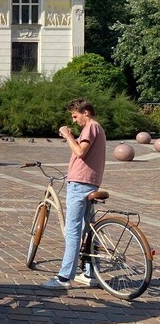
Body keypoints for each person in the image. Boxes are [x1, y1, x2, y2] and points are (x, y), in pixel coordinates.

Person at [42, 99, 106, 290]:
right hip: (90, 182)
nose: (74, 119)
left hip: (80, 183)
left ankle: (64, 277)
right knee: (88, 229)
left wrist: (68, 135)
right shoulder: (97, 129)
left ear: (85, 112)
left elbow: (80, 151)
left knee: (73, 230)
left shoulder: (90, 127)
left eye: (75, 115)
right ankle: (90, 272)